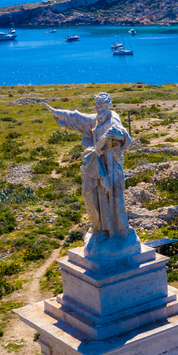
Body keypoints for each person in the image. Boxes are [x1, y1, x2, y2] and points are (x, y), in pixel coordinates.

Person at [43, 93, 139, 255]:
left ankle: (116, 232)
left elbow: (124, 138)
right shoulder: (96, 119)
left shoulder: (113, 119)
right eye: (96, 104)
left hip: (111, 168)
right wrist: (58, 113)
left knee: (113, 199)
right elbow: (78, 118)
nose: (96, 108)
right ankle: (100, 229)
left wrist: (121, 136)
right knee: (96, 197)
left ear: (107, 105)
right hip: (96, 166)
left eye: (99, 105)